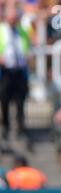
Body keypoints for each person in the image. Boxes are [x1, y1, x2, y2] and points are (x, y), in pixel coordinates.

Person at [0, 5, 32, 140]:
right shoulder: (1, 30)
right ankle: (6, 127)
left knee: (21, 101)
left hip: (20, 70)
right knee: (4, 100)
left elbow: (27, 48)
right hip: (5, 71)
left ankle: (21, 128)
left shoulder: (22, 31)